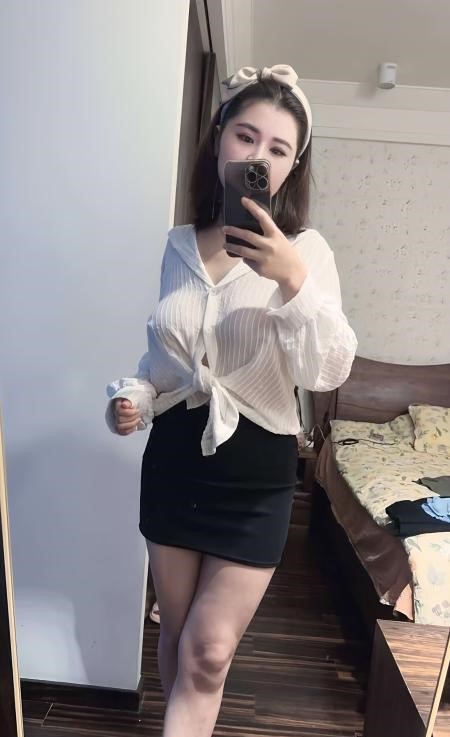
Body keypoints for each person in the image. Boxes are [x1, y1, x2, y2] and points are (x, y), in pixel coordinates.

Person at [106, 63, 357, 737]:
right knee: (177, 635)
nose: (259, 157)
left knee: (210, 650)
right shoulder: (178, 245)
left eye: (278, 148)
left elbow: (328, 369)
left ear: (294, 166)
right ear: (219, 137)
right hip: (175, 459)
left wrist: (292, 282)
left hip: (256, 473)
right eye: (246, 136)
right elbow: (164, 359)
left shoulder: (306, 252)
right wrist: (133, 396)